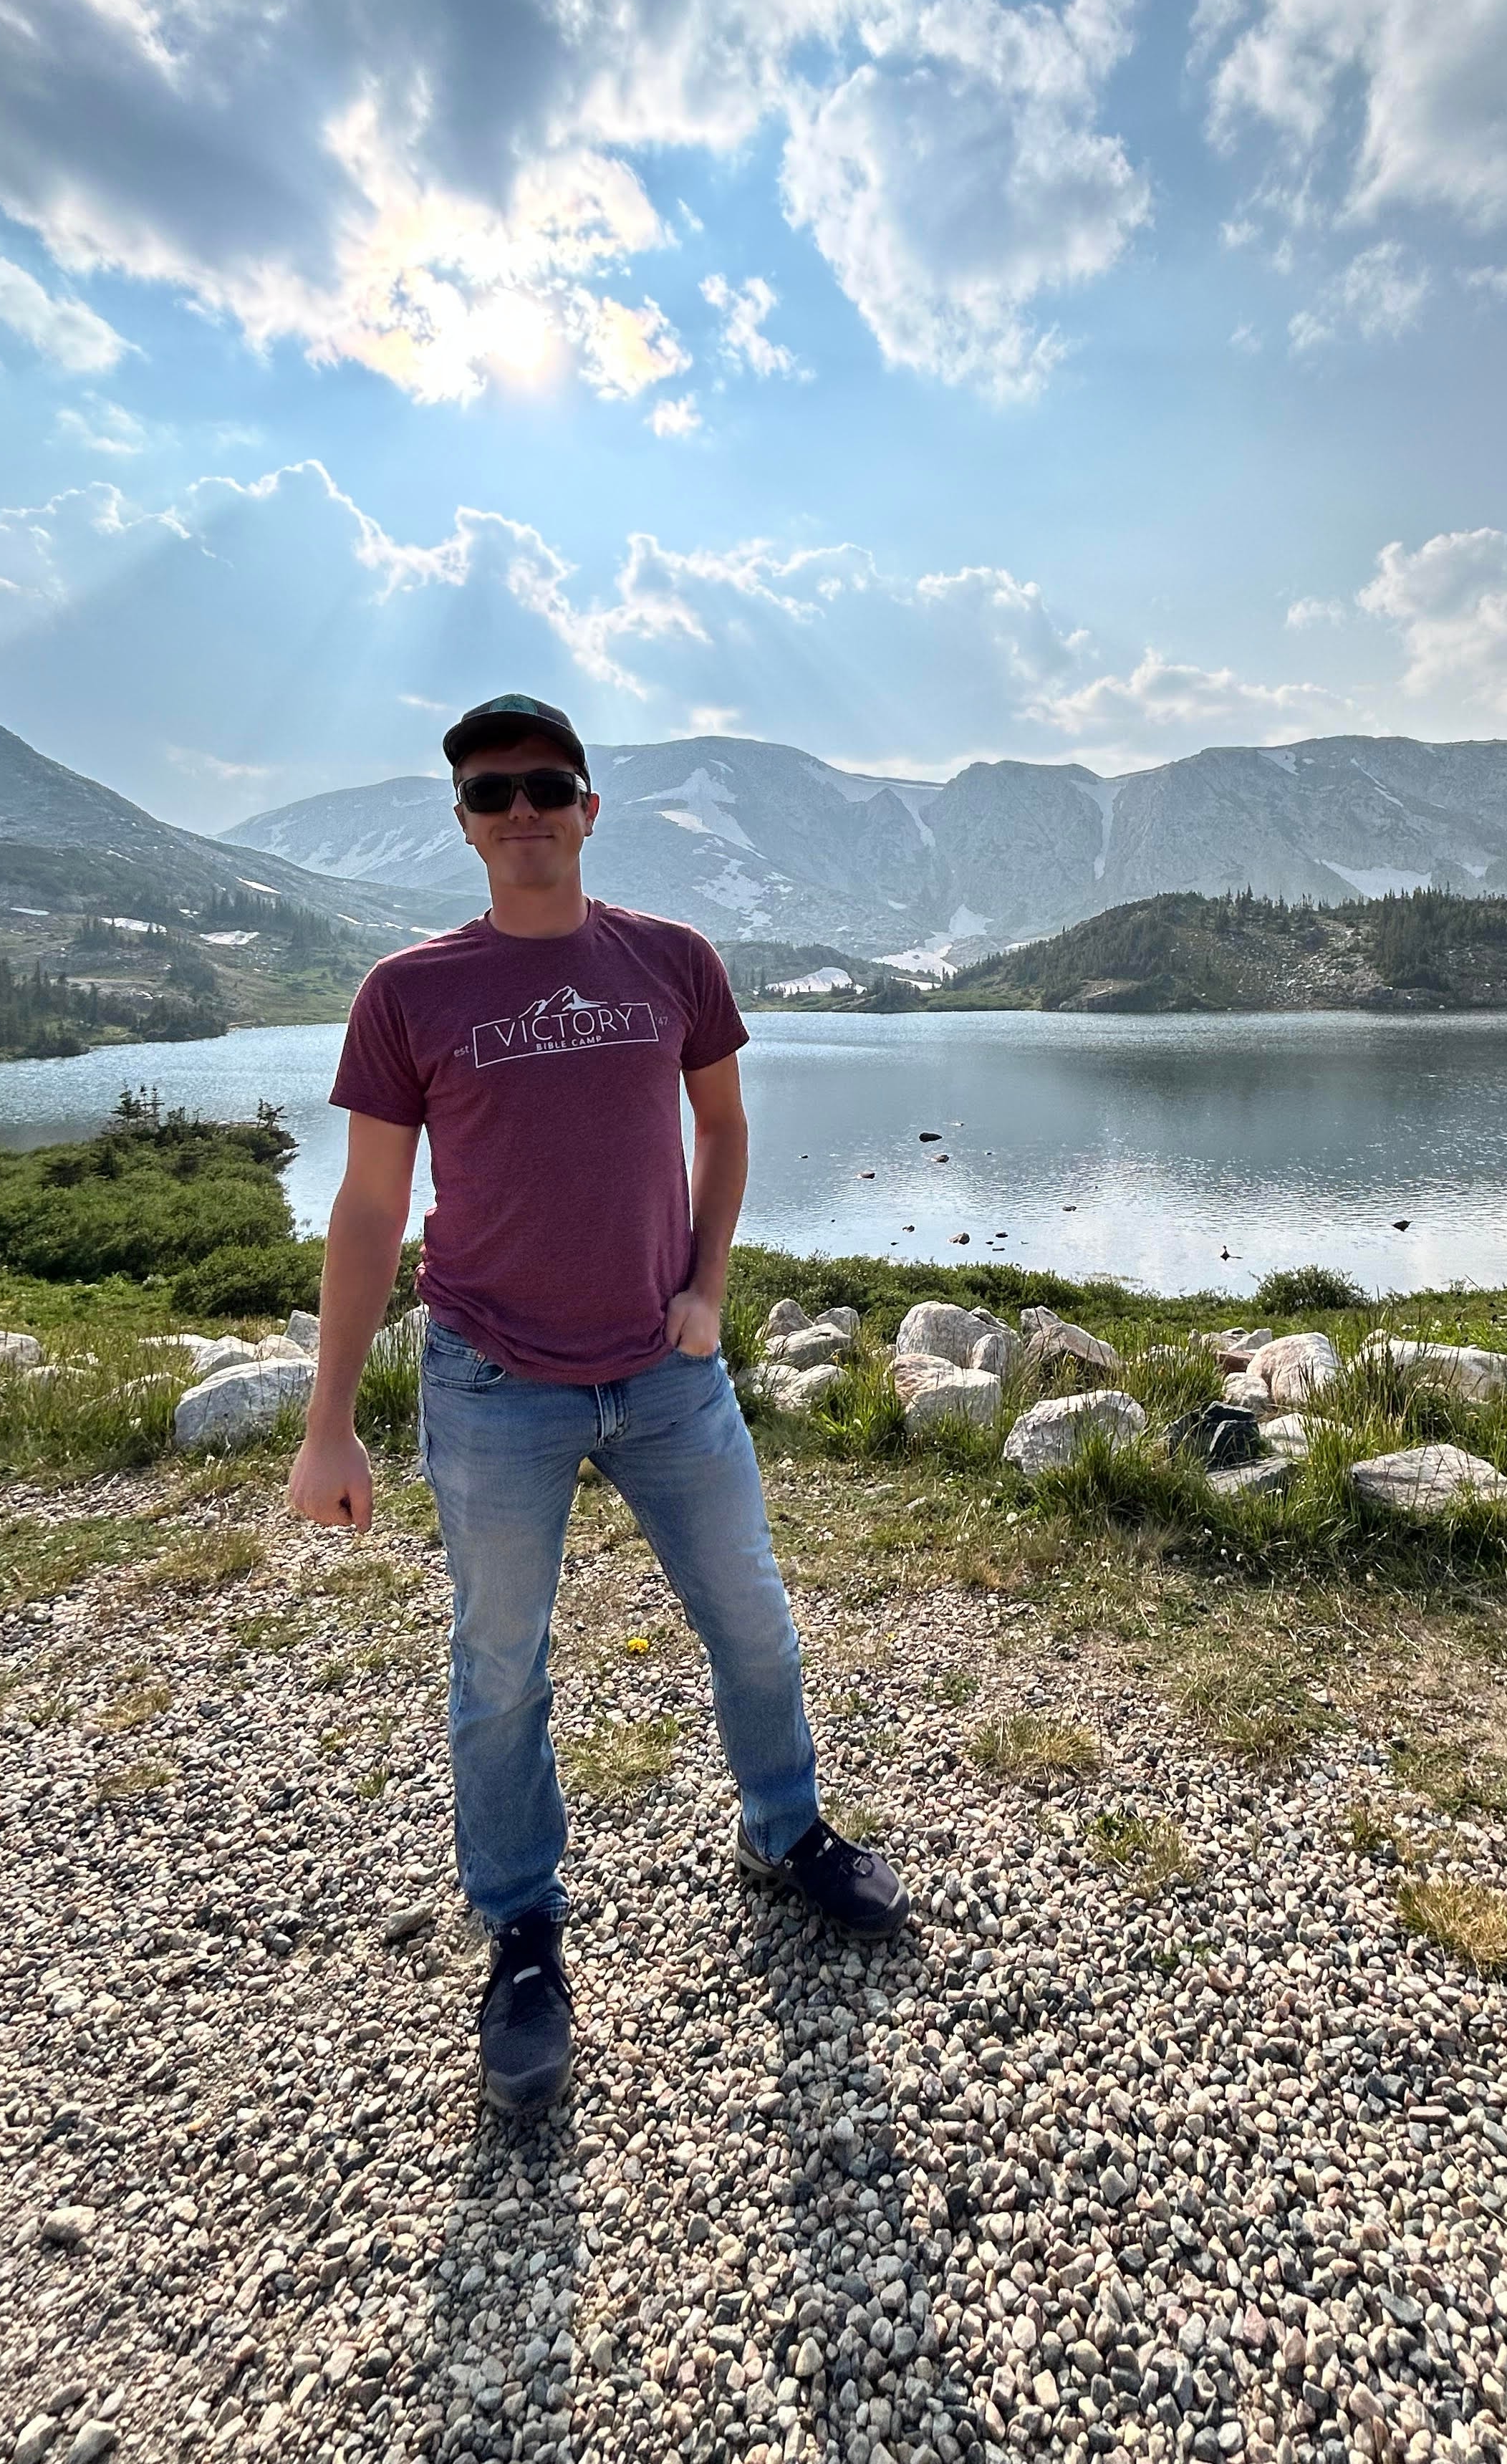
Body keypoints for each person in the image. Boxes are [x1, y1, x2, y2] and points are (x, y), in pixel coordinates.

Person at [286, 693, 910, 2114]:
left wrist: (707, 1291)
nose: (524, 811)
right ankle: (520, 1928)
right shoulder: (409, 993)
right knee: (499, 1665)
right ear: (463, 820)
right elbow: (373, 1207)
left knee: (750, 1613)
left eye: (547, 785)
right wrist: (330, 1418)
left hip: (667, 1375)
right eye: (494, 791)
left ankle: (787, 1831)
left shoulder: (672, 960)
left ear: (588, 805)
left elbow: (727, 1126)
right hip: (492, 1379)